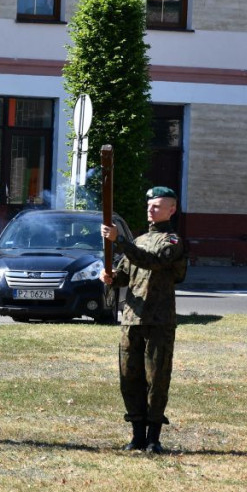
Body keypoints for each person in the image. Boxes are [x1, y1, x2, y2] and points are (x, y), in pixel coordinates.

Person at [100, 186, 188, 454]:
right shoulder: (138, 241)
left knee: (157, 378)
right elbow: (127, 275)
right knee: (130, 377)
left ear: (171, 210)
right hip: (132, 320)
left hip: (158, 321)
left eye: (157, 206)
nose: (151, 210)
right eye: (149, 205)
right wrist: (112, 278)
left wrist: (120, 241)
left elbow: (152, 262)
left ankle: (154, 437)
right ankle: (137, 435)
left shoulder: (172, 242)